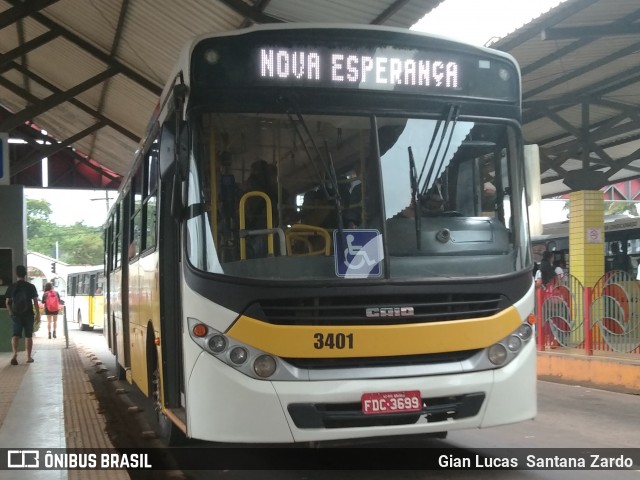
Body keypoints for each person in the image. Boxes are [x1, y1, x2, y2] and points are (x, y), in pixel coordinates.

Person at [5, 265, 40, 365]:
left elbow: (7, 302)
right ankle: (28, 357)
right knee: (28, 336)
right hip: (28, 314)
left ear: (16, 274)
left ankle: (15, 354)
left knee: (15, 335)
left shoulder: (12, 286)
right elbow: (35, 301)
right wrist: (38, 314)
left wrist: (11, 313)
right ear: (25, 274)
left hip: (16, 315)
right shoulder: (30, 286)